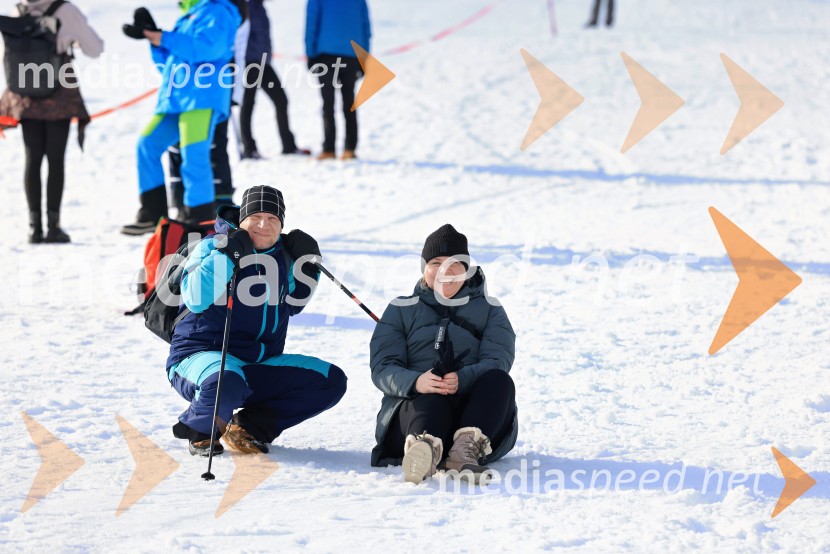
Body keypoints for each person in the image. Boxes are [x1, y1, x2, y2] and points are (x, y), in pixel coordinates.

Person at [167, 185, 347, 456]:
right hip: (201, 357)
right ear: (242, 220)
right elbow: (195, 298)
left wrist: (308, 265)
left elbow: (294, 304)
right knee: (226, 381)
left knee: (329, 380)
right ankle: (202, 430)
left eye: (273, 218)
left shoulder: (283, 255)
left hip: (258, 362)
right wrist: (226, 255)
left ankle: (248, 427)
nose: (264, 225)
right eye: (256, 217)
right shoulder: (212, 246)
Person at [369, 224, 518, 484]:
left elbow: (498, 359)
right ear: (424, 268)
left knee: (499, 380)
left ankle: (464, 452)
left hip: (473, 416)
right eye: (436, 263)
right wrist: (417, 382)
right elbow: (383, 368)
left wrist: (463, 379)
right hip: (413, 414)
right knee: (431, 397)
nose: (444, 271)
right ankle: (423, 449)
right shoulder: (400, 308)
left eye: (454, 264)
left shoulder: (491, 309)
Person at [120, 0, 243, 236]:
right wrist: (154, 38)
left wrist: (163, 38)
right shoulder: (189, 15)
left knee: (194, 154)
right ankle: (152, 213)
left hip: (202, 97)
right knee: (147, 145)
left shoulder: (218, 10)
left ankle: (200, 219)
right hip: (175, 99)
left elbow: (209, 49)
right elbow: (168, 64)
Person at [0, 0, 103, 243]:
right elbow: (95, 48)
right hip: (59, 95)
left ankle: (34, 228)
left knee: (32, 158)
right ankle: (54, 227)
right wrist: (71, 40)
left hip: (25, 95)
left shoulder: (18, 11)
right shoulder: (66, 10)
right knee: (55, 160)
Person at [239, 0, 310, 160]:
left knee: (281, 100)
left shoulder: (260, 8)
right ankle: (249, 148)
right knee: (248, 103)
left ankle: (288, 146)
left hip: (264, 63)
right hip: (250, 62)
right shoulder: (246, 7)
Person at [305, 0, 371, 161]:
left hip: (326, 56)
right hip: (352, 55)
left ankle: (329, 149)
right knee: (349, 103)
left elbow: (311, 24)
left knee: (328, 103)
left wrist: (310, 54)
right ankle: (350, 148)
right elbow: (366, 27)